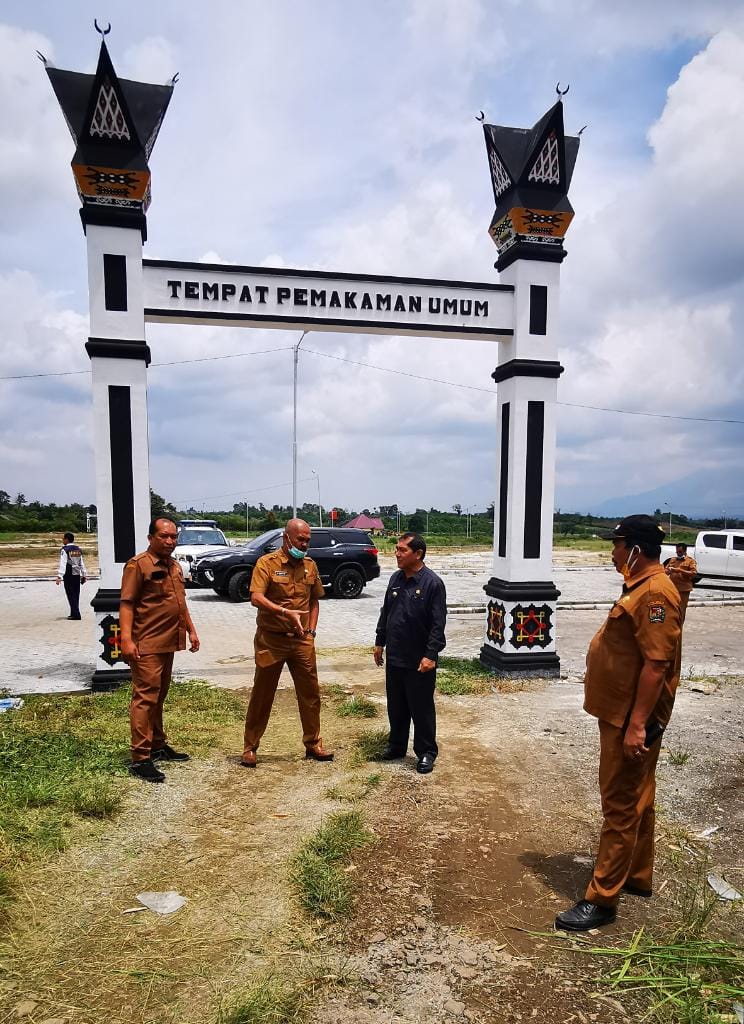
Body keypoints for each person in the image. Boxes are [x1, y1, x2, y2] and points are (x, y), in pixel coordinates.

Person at [556, 515, 682, 931]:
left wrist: (636, 726)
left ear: (635, 549)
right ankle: (637, 875)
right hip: (623, 714)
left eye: (616, 545)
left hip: (631, 718)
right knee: (640, 795)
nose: (612, 553)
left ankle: (602, 899)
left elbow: (656, 664)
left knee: (620, 804)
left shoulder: (655, 594)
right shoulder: (641, 588)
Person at [241, 518, 333, 767]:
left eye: (307, 540)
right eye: (300, 539)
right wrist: (284, 613)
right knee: (262, 694)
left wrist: (311, 631)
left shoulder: (309, 565)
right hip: (271, 640)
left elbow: (314, 601)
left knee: (310, 694)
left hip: (302, 641)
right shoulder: (267, 564)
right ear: (286, 537)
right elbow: (256, 597)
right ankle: (250, 747)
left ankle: (313, 744)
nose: (304, 544)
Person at [119, 517, 200, 783]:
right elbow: (127, 604)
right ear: (151, 537)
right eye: (164, 536)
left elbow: (181, 602)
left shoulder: (174, 566)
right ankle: (140, 758)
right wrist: (127, 640)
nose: (169, 541)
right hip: (146, 643)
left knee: (159, 695)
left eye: (173, 537)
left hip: (169, 642)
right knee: (145, 698)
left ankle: (157, 744)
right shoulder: (138, 565)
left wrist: (191, 630)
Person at [374, 532, 446, 774]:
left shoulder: (432, 583)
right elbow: (386, 612)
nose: (396, 554)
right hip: (395, 656)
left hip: (419, 660)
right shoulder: (396, 579)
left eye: (402, 550)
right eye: (396, 549)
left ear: (418, 554)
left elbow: (438, 624)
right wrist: (379, 641)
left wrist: (431, 655)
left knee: (421, 708)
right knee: (397, 706)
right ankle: (396, 746)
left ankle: (426, 752)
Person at [56, 531, 88, 620]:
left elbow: (63, 563)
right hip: (76, 573)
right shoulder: (77, 549)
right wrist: (84, 574)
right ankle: (73, 612)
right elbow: (81, 562)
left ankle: (76, 614)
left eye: (63, 538)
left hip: (68, 573)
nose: (63, 540)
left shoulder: (65, 550)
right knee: (76, 594)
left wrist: (59, 576)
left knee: (70, 594)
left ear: (66, 539)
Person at [663, 542, 697, 622]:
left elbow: (693, 573)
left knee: (681, 611)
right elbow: (666, 570)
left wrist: (680, 570)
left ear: (685, 551)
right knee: (670, 609)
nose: (678, 553)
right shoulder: (672, 560)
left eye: (680, 552)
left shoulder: (690, 561)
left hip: (683, 590)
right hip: (672, 588)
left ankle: (679, 629)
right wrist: (667, 571)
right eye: (677, 552)